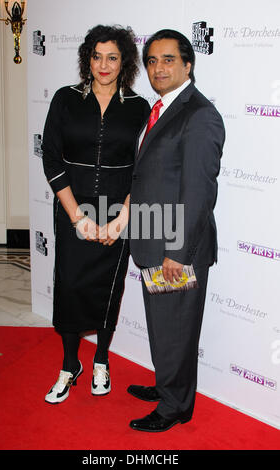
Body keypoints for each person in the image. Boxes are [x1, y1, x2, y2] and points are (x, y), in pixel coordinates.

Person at [42, 25, 150, 404]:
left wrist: (122, 218)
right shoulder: (65, 99)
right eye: (97, 56)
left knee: (109, 289)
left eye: (113, 57)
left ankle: (101, 359)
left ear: (125, 62)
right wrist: (77, 216)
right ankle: (70, 365)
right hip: (74, 208)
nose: (104, 65)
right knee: (70, 289)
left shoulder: (139, 107)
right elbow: (52, 159)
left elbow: (143, 168)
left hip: (118, 213)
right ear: (87, 59)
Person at [128, 29, 225, 431]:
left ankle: (174, 407)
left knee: (175, 328)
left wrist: (177, 252)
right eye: (151, 60)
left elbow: (199, 192)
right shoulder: (163, 109)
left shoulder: (199, 114)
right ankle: (170, 383)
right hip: (154, 239)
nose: (158, 68)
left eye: (168, 59)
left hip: (174, 247)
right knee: (166, 325)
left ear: (188, 64)